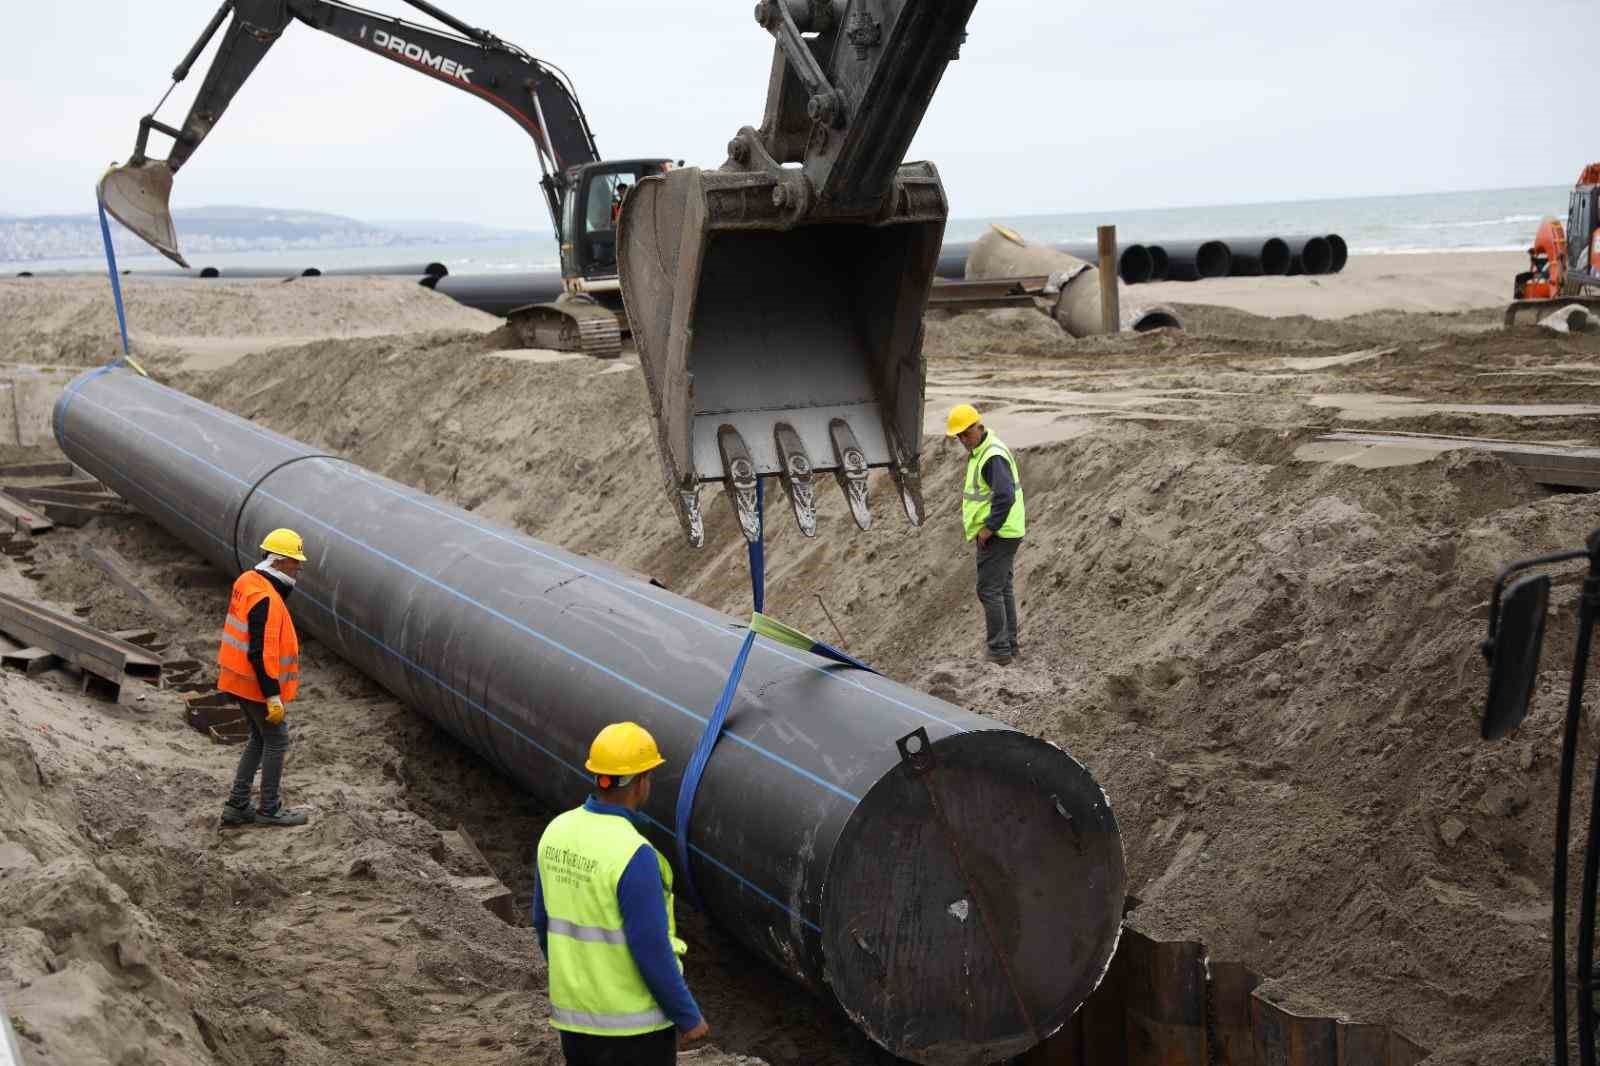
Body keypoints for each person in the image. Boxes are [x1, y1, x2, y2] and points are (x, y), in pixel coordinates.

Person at [534, 722, 708, 1065]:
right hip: (634, 1032)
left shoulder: (556, 831)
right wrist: (687, 1016)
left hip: (575, 1021)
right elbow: (651, 948)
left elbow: (542, 923)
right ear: (641, 783)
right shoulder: (633, 853)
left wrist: (575, 980)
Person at [218, 528, 310, 828]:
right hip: (255, 683)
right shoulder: (267, 598)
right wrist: (272, 696)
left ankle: (237, 804)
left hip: (237, 678)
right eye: (295, 562)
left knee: (259, 737)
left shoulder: (248, 581)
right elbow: (260, 652)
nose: (299, 567)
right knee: (276, 739)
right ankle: (269, 808)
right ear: (280, 562)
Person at [947, 404, 1027, 665]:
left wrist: (989, 528)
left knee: (989, 590)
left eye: (965, 434)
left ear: (978, 427)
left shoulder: (991, 455)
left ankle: (999, 651)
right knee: (1002, 589)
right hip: (1006, 530)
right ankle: (1009, 647)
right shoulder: (983, 450)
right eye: (958, 436)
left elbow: (1005, 495)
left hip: (999, 533)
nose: (962, 440)